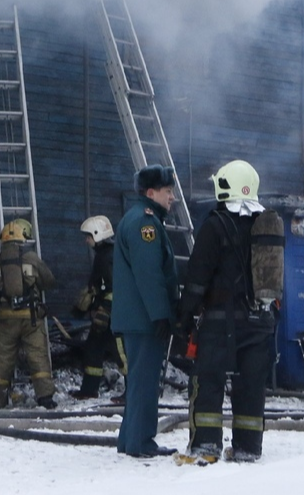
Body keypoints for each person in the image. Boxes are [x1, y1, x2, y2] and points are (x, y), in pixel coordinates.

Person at [176, 160, 281, 464]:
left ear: (224, 187)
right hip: (260, 322)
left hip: (221, 324)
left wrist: (184, 318)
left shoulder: (215, 225)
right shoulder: (267, 225)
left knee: (208, 382)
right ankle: (248, 447)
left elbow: (197, 278)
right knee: (250, 386)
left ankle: (206, 447)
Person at [112, 164, 180, 459]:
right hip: (144, 319)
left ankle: (130, 439)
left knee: (139, 380)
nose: (172, 197)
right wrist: (161, 315)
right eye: (168, 192)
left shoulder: (138, 218)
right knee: (145, 382)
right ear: (151, 193)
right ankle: (141, 443)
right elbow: (149, 273)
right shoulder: (145, 224)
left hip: (137, 317)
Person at [0, 218, 57, 409]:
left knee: (2, 360)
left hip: (6, 320)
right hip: (31, 319)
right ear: (23, 239)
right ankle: (45, 398)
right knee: (38, 356)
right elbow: (49, 281)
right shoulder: (31, 258)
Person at [73, 214, 122, 399]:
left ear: (98, 234)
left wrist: (105, 311)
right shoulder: (105, 254)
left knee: (121, 352)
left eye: (89, 236)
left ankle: (133, 392)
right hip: (106, 313)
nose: (87, 240)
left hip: (113, 314)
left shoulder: (106, 257)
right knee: (93, 348)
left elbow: (114, 288)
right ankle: (89, 389)